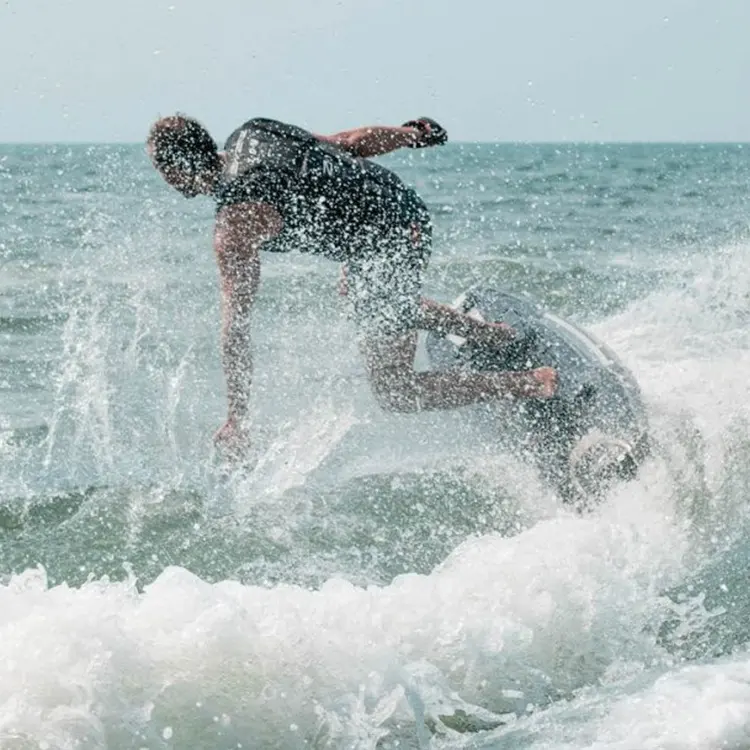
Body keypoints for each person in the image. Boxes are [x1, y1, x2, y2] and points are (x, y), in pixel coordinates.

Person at [146, 114, 558, 457]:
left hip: (391, 236)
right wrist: (413, 134)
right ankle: (489, 335)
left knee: (395, 390)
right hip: (397, 203)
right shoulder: (254, 132)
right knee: (369, 297)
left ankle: (530, 382)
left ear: (175, 171)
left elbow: (236, 325)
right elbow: (350, 142)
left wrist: (238, 417)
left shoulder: (234, 223)